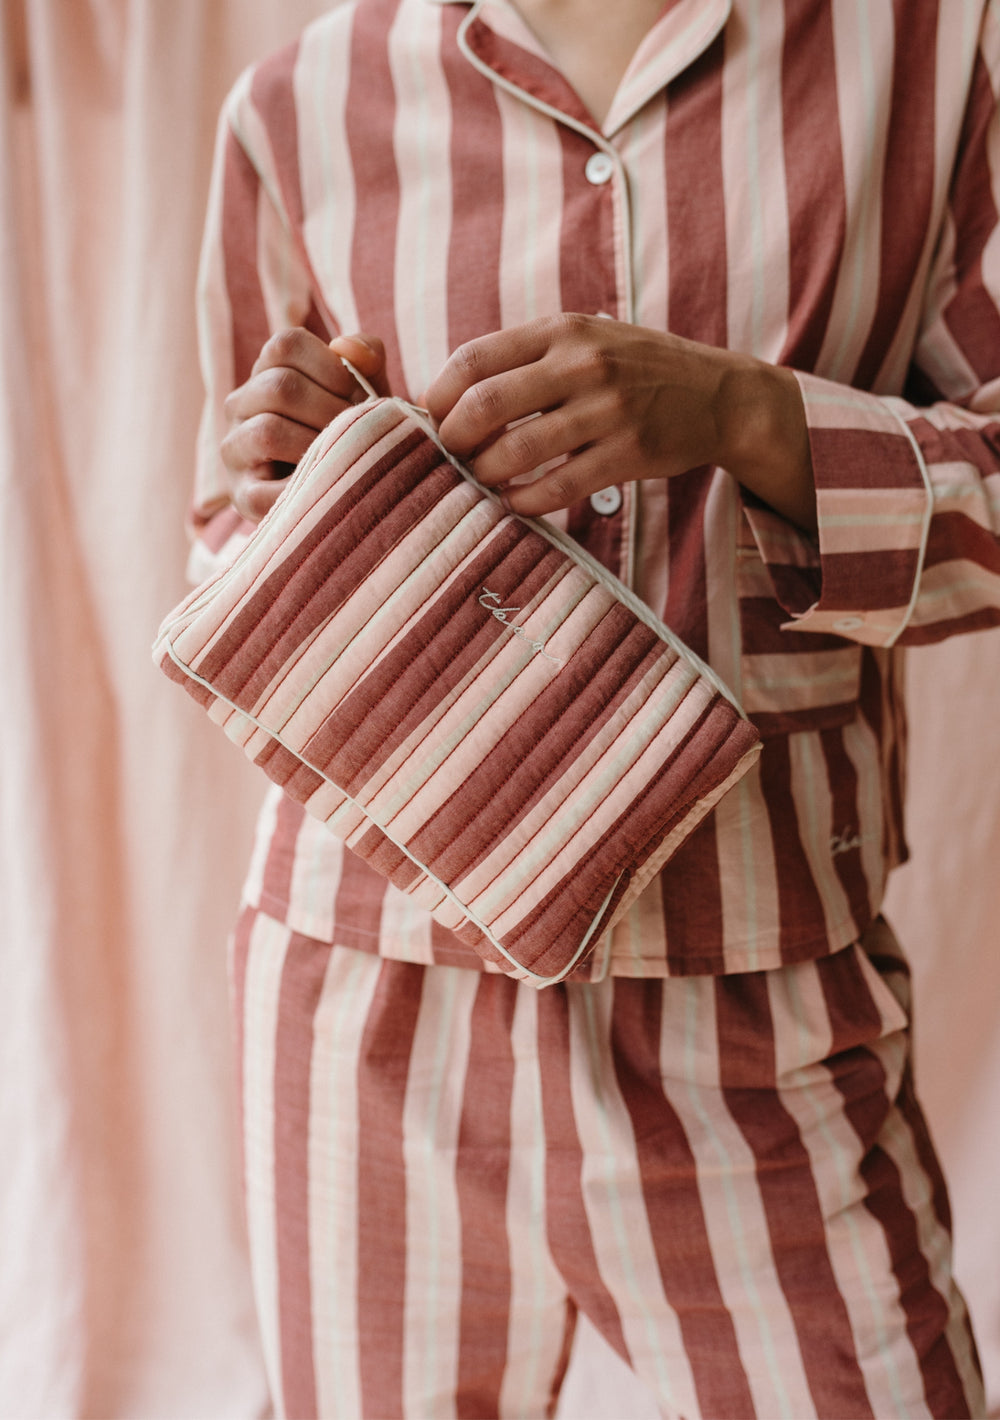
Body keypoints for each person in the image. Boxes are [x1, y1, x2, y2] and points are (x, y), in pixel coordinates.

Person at [189, 0, 1000, 1415]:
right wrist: (290, 480)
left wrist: (748, 417)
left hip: (756, 977)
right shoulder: (300, 101)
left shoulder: (932, 58)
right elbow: (225, 550)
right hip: (365, 989)